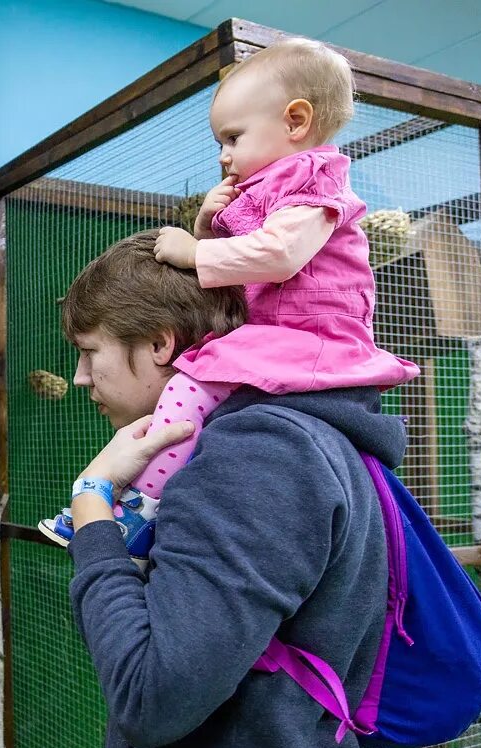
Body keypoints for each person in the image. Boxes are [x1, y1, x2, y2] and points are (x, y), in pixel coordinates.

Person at [53, 229, 404, 748]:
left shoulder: (258, 453)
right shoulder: (248, 442)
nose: (80, 378)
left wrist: (92, 505)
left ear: (161, 345)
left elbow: (149, 695)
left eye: (90, 352)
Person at [40, 37, 417, 547]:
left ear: (296, 121)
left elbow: (279, 255)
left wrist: (196, 250)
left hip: (311, 337)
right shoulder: (274, 191)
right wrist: (209, 226)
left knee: (189, 386)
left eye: (233, 138)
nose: (224, 156)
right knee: (199, 395)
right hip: (278, 335)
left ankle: (138, 509)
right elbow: (248, 269)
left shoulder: (316, 184)